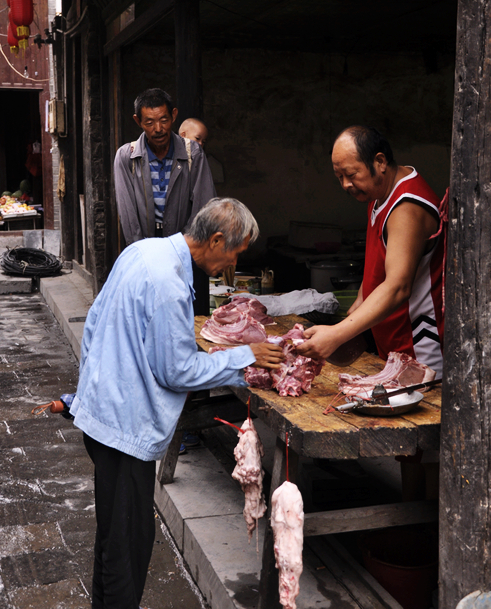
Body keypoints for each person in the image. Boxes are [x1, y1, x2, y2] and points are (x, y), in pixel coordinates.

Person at [70, 198, 284, 609]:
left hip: (102, 415)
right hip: (123, 429)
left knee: (113, 540)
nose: (232, 265)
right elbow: (178, 371)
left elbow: (94, 320)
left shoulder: (142, 250)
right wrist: (245, 358)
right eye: (235, 254)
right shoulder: (169, 284)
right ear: (217, 239)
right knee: (127, 549)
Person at [297, 125, 444, 378]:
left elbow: (398, 287)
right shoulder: (378, 194)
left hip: (419, 347)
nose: (345, 184)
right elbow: (378, 263)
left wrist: (338, 333)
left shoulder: (406, 207)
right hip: (393, 344)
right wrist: (357, 308)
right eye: (338, 176)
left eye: (351, 174)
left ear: (380, 162)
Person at [114, 88, 215, 315]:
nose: (158, 129)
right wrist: (144, 257)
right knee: (151, 319)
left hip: (187, 250)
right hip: (145, 251)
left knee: (190, 319)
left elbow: (204, 207)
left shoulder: (194, 154)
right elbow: (128, 214)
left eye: (163, 120)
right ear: (137, 121)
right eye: (149, 122)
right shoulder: (126, 157)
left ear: (174, 116)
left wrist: (182, 250)